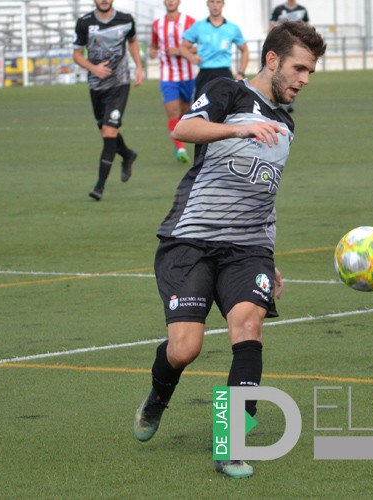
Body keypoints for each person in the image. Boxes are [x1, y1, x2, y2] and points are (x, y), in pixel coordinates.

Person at [133, 21, 327, 479]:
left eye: (311, 73)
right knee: (185, 349)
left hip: (248, 248)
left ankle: (230, 442)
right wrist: (237, 132)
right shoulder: (228, 92)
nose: (304, 79)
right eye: (299, 68)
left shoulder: (286, 125)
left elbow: (267, 195)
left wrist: (270, 257)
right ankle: (158, 398)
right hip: (191, 239)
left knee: (248, 326)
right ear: (273, 60)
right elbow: (184, 128)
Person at [73, 0, 144, 201]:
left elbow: (132, 41)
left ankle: (99, 187)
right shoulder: (84, 22)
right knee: (105, 132)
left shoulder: (126, 20)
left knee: (110, 130)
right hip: (96, 87)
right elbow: (76, 55)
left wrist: (139, 67)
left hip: (119, 84)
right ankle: (128, 154)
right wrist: (94, 68)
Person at [150, 0, 197, 164]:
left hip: (188, 75)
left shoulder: (190, 22)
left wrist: (179, 51)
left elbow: (201, 47)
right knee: (172, 111)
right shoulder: (157, 25)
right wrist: (152, 52)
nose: (170, 2)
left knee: (185, 111)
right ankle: (180, 149)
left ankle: (186, 139)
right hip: (167, 76)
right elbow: (153, 46)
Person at [178, 0, 249, 97]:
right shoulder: (199, 26)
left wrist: (241, 73)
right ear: (207, 4)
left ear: (223, 4)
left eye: (218, 2)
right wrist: (191, 57)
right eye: (212, 2)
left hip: (224, 73)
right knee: (200, 110)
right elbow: (183, 47)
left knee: (227, 109)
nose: (215, 5)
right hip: (205, 74)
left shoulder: (232, 28)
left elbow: (244, 50)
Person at [269, 1, 310, 113]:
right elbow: (271, 27)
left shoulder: (302, 9)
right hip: (282, 47)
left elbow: (307, 28)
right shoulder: (278, 10)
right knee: (277, 73)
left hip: (296, 49)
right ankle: (274, 99)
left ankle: (290, 101)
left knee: (295, 74)